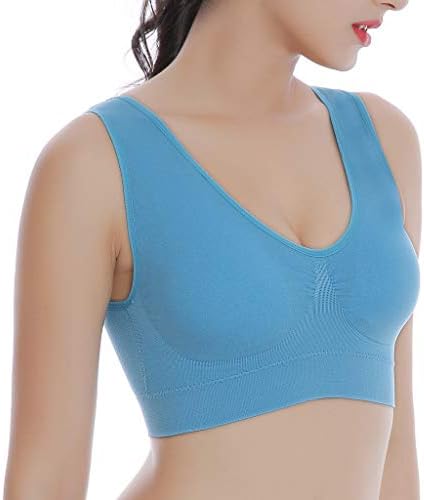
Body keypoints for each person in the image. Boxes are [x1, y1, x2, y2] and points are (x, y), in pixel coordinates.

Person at [4, 0, 421, 499]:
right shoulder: (93, 162)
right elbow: (45, 480)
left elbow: (398, 452)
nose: (399, 1)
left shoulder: (383, 138)